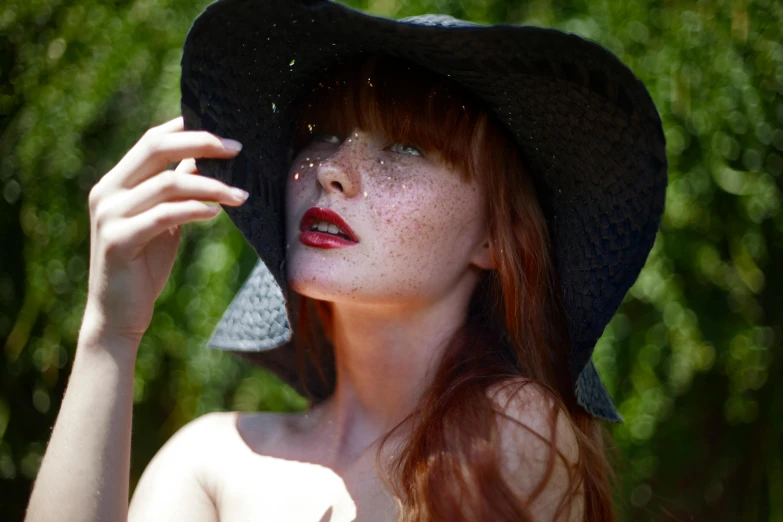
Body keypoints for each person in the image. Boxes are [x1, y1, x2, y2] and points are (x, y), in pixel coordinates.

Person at [25, 1, 667, 521]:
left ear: (494, 240)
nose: (332, 170)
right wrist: (108, 337)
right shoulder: (210, 460)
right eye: (321, 134)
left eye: (407, 147)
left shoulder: (511, 426)